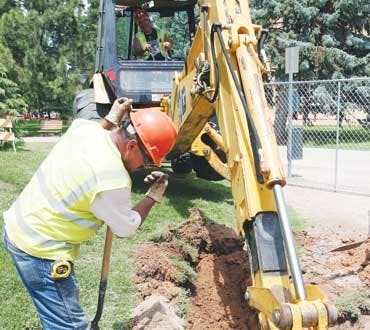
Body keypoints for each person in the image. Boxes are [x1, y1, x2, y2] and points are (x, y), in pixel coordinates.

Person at [2, 97, 178, 329]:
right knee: (70, 326)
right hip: (41, 253)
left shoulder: (85, 130)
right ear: (132, 146)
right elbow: (126, 227)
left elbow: (100, 129)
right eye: (147, 160)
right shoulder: (112, 179)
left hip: (18, 228)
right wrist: (153, 196)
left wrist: (111, 117)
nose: (145, 167)